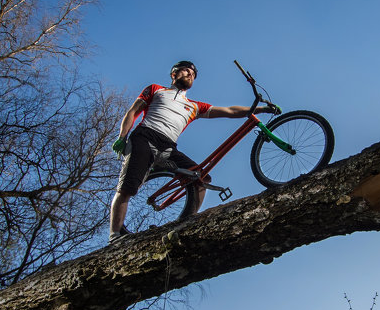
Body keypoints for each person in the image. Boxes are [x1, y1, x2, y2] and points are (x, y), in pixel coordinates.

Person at [109, 61, 276, 242]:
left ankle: (182, 224)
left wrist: (261, 109)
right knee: (127, 188)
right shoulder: (156, 89)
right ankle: (115, 236)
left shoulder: (195, 106)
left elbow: (228, 110)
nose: (190, 75)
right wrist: (122, 137)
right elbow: (133, 111)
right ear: (174, 75)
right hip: (144, 138)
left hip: (168, 147)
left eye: (193, 74)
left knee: (200, 178)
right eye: (186, 71)